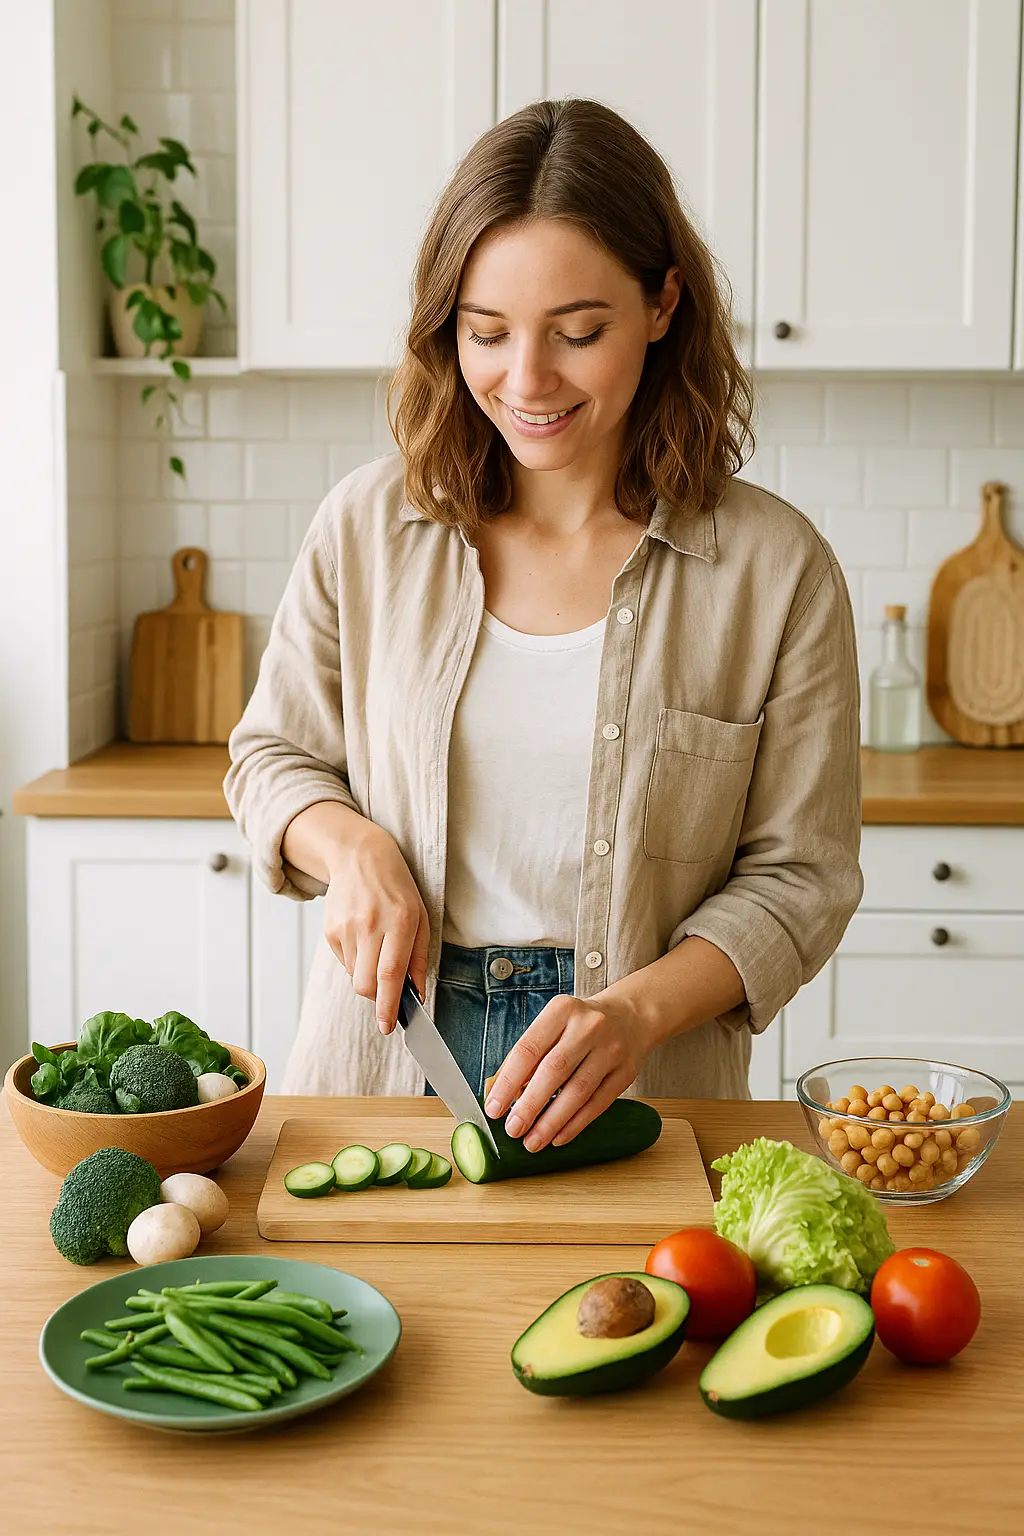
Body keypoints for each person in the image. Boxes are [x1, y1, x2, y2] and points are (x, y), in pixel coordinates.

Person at [224, 98, 862, 1153]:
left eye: (578, 332)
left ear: (662, 305)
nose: (525, 382)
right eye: (485, 333)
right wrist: (352, 848)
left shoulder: (775, 571)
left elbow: (803, 876)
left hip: (640, 1084)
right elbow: (270, 757)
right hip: (384, 1060)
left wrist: (637, 1012)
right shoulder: (367, 528)